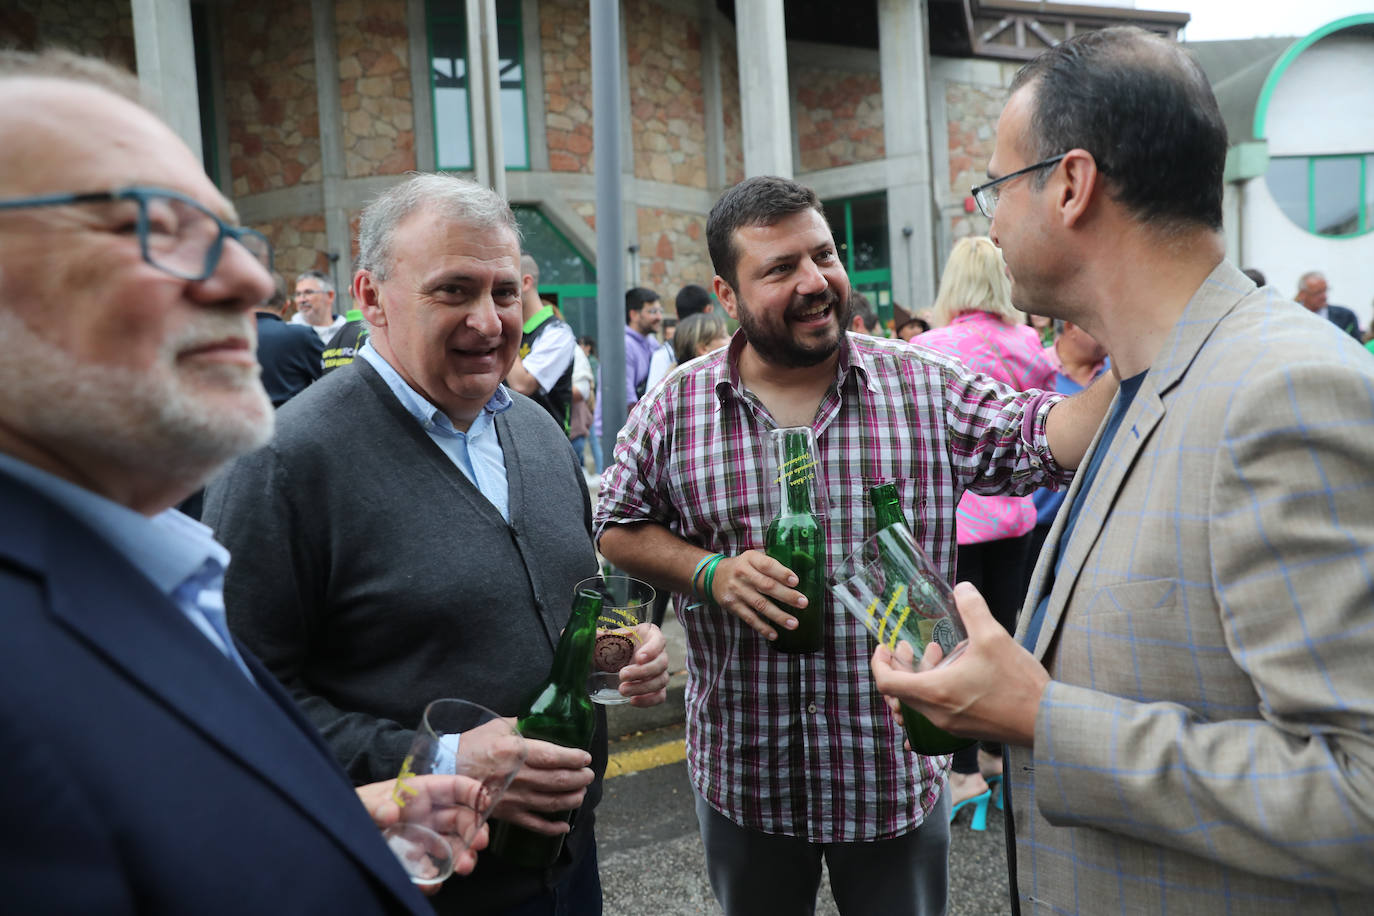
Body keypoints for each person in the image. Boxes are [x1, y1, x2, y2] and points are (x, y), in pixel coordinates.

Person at [871, 26, 1374, 915]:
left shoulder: (1282, 394)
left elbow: (1359, 793)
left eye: (995, 186)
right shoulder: (1140, 384)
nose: (986, 219)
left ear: (1071, 185)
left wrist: (1040, 718)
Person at [0, 49, 486, 913]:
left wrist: (334, 825)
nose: (247, 281)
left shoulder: (153, 574)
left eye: (225, 234)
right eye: (146, 224)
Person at [594, 175, 1115, 916]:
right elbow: (614, 523)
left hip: (889, 775)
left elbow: (1044, 436)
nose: (815, 283)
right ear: (727, 294)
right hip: (746, 778)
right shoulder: (676, 404)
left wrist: (1140, 338)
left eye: (824, 256)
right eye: (779, 269)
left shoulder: (921, 384)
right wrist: (709, 573)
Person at [204, 172, 670, 916]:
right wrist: (446, 761)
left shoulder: (537, 431)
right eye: (453, 290)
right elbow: (232, 706)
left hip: (567, 874)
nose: (489, 321)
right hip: (407, 889)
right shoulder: (284, 463)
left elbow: (565, 597)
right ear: (371, 296)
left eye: (506, 292)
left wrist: (620, 647)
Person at [911, 235, 1056, 812]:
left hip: (961, 520)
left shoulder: (930, 346)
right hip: (1017, 515)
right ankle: (998, 752)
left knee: (953, 644)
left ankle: (964, 771)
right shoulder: (1027, 342)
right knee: (1006, 630)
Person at [505, 253, 576, 430]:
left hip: (547, 445)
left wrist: (503, 333)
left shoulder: (558, 333)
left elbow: (521, 385)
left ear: (525, 283)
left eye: (503, 286)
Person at [255, 271, 325, 407]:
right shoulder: (301, 336)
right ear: (286, 306)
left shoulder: (224, 339)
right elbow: (332, 380)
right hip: (293, 424)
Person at [1295, 270, 1362, 340]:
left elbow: (1357, 346)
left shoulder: (1346, 316)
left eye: (1325, 290)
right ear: (1302, 294)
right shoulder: (1291, 316)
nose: (1324, 296)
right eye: (1318, 292)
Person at [292, 268, 349, 342]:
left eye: (308, 292)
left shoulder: (347, 332)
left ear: (330, 295)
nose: (302, 300)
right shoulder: (288, 334)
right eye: (298, 294)